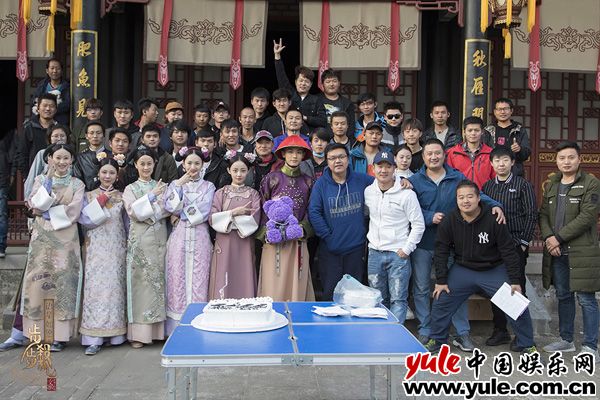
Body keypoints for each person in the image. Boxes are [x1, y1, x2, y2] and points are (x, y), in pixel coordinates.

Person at [424, 180, 539, 356]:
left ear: (479, 198)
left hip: (492, 269)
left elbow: (508, 250)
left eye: (470, 196)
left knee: (516, 301)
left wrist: (515, 280)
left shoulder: (494, 219)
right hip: (463, 269)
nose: (465, 201)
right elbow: (441, 251)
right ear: (456, 200)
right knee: (442, 297)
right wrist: (441, 280)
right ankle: (436, 339)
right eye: (461, 197)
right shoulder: (450, 220)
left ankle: (527, 344)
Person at [409, 138, 504, 349]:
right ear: (423, 157)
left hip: (452, 244)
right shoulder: (414, 181)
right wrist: (429, 216)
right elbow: (407, 207)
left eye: (437, 153)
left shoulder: (456, 177)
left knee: (455, 289)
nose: (433, 157)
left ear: (445, 155)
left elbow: (475, 195)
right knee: (421, 288)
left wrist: (496, 205)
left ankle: (462, 332)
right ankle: (425, 329)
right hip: (423, 243)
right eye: (429, 153)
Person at [539, 141, 600, 360]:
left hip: (582, 252)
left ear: (579, 159)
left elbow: (587, 216)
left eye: (571, 157)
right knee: (563, 296)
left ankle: (590, 346)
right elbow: (543, 214)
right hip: (557, 252)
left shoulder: (591, 183)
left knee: (586, 299)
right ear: (556, 161)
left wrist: (557, 238)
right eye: (562, 158)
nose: (566, 162)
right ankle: (566, 340)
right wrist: (549, 238)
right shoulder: (552, 184)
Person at [21, 144, 84, 351]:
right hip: (42, 238)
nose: (62, 162)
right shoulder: (41, 180)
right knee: (39, 282)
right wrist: (48, 179)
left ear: (72, 160)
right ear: (50, 159)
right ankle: (38, 333)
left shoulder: (77, 184)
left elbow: (74, 211)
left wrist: (47, 212)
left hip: (66, 238)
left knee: (63, 283)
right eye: (58, 158)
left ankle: (59, 335)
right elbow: (35, 204)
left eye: (66, 158)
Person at [482, 146, 537, 349]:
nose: (501, 164)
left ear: (512, 162)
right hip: (494, 247)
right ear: (491, 164)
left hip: (515, 245)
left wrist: (523, 243)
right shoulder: (488, 187)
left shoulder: (523, 185)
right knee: (497, 289)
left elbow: (531, 214)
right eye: (497, 161)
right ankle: (500, 330)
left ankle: (522, 335)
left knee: (517, 288)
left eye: (505, 160)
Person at [365, 150, 424, 323]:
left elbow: (418, 224)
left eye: (388, 166)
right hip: (374, 252)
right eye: (380, 166)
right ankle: (379, 335)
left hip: (398, 254)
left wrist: (407, 249)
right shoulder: (368, 191)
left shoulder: (407, 194)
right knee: (377, 298)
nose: (383, 170)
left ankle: (396, 335)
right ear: (373, 168)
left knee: (398, 299)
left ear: (394, 169)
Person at [308, 143, 373, 300]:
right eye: (332, 158)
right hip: (330, 249)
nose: (337, 161)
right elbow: (314, 212)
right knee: (330, 293)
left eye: (341, 157)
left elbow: (384, 182)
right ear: (327, 161)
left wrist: (402, 180)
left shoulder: (362, 180)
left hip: (356, 249)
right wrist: (328, 236)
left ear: (348, 159)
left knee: (354, 296)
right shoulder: (321, 185)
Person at [78, 156, 127, 355]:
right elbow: (84, 220)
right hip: (96, 248)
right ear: (98, 174)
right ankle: (93, 337)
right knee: (96, 289)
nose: (107, 176)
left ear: (117, 175)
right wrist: (101, 200)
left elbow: (127, 224)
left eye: (112, 173)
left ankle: (116, 334)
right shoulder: (89, 195)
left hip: (116, 248)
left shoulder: (122, 197)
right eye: (104, 172)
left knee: (115, 289)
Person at [164, 147, 215, 335]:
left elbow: (205, 209)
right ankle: (175, 326)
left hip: (200, 235)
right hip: (179, 236)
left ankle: (198, 321)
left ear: (203, 165)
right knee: (177, 276)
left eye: (197, 163)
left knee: (199, 276)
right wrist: (179, 184)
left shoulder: (209, 186)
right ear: (183, 164)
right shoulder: (176, 184)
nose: (193, 166)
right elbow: (169, 206)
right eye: (189, 163)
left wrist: (180, 214)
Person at [257, 135, 315, 301]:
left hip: (297, 239)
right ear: (283, 154)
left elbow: (312, 209)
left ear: (303, 155)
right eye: (290, 152)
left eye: (298, 152)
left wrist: (302, 228)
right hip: (274, 240)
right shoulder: (271, 179)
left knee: (296, 281)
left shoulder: (308, 182)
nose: (294, 156)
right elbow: (262, 206)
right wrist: (267, 233)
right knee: (273, 283)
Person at [122, 147, 169, 348]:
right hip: (139, 240)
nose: (146, 167)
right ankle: (139, 334)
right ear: (136, 165)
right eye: (142, 163)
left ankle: (157, 332)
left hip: (158, 239)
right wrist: (151, 197)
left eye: (149, 163)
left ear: (154, 164)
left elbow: (167, 209)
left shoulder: (162, 186)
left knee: (158, 281)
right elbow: (133, 211)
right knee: (140, 282)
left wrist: (148, 210)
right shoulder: (130, 188)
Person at [209, 154, 262, 299]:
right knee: (223, 271)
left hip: (244, 240)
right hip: (224, 241)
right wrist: (233, 213)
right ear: (228, 170)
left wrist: (228, 218)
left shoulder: (254, 194)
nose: (239, 174)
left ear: (248, 171)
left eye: (243, 170)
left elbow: (255, 219)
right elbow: (212, 217)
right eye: (235, 170)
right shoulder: (221, 193)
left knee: (244, 272)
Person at [273, 38, 326, 131]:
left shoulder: (317, 100)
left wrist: (304, 118)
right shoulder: (290, 94)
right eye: (301, 81)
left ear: (311, 84)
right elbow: (281, 77)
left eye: (306, 81)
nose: (303, 84)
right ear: (295, 82)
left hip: (309, 136)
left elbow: (322, 121)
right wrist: (277, 56)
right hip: (290, 134)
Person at [483, 98, 531, 177]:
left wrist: (519, 150)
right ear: (495, 112)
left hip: (515, 174)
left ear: (511, 111)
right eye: (499, 109)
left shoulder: (519, 129)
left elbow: (526, 153)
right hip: (492, 174)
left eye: (505, 109)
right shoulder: (488, 131)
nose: (502, 112)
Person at [14, 93, 58, 178]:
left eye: (51, 106)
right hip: (34, 176)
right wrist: (27, 176)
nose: (48, 109)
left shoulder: (59, 129)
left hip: (57, 177)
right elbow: (21, 154)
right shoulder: (29, 128)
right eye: (44, 105)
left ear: (56, 109)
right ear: (38, 108)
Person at [446, 116, 495, 189]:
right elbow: (449, 178)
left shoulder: (490, 153)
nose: (473, 133)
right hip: (460, 194)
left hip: (484, 193)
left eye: (476, 130)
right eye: (470, 130)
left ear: (482, 132)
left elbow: (494, 177)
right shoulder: (453, 153)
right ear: (464, 132)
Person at [24, 125, 70, 199]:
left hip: (67, 195)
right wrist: (28, 198)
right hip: (45, 194)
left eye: (62, 136)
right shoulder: (42, 153)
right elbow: (32, 176)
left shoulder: (71, 154)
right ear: (49, 138)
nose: (59, 138)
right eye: (56, 136)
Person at [33, 58, 70, 125]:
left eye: (58, 68)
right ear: (47, 70)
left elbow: (67, 104)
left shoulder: (67, 86)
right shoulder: (42, 85)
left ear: (61, 70)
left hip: (60, 121)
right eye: (52, 68)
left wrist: (52, 110)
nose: (55, 71)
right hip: (42, 122)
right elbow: (35, 100)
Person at [318, 69, 355, 134]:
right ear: (322, 84)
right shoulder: (315, 100)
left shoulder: (347, 103)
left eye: (334, 81)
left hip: (341, 139)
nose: (331, 84)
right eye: (328, 82)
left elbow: (351, 126)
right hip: (320, 138)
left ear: (339, 83)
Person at [73, 121, 107, 191]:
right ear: (86, 136)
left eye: (98, 133)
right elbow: (78, 181)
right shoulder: (80, 158)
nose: (95, 136)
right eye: (91, 133)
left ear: (104, 135)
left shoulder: (111, 155)